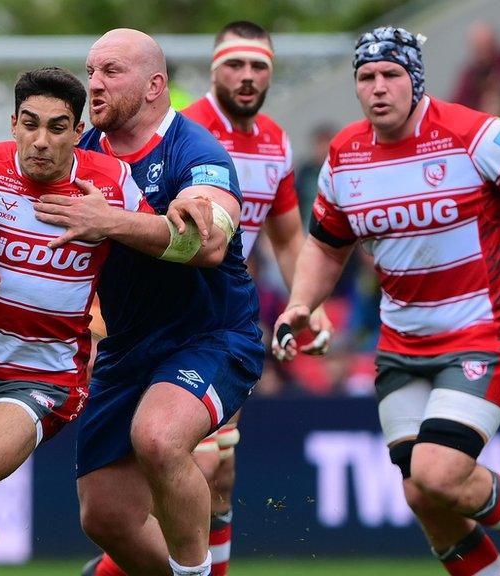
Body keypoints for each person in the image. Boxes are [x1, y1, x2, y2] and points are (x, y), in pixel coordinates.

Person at [0, 66, 221, 576]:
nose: (40, 141)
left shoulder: (107, 183)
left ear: (78, 133)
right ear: (13, 123)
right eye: (30, 124)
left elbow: (170, 248)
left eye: (57, 127)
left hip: (42, 377)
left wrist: (168, 217)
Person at [275, 26, 500, 576]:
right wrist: (300, 304)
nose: (378, 87)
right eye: (366, 77)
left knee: (438, 472)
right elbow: (325, 246)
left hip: (485, 330)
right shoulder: (345, 156)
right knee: (423, 497)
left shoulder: (477, 133)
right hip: (402, 343)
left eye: (391, 74)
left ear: (416, 81)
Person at [39, 29, 262, 576]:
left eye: (111, 72)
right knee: (105, 515)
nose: (94, 84)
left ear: (154, 86)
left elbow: (208, 244)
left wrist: (109, 220)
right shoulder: (82, 155)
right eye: (90, 71)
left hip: (210, 337)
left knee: (159, 440)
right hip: (126, 349)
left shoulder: (196, 150)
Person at [178, 21, 333, 576]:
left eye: (258, 67)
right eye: (235, 66)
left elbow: (289, 237)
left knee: (220, 473)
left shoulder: (275, 140)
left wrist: (306, 304)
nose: (247, 77)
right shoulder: (183, 129)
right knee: (191, 466)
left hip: (228, 324)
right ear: (214, 68)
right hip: (167, 320)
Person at [450, 22, 500, 112]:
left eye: (487, 46)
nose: (484, 52)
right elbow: (457, 106)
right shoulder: (469, 77)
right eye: (479, 48)